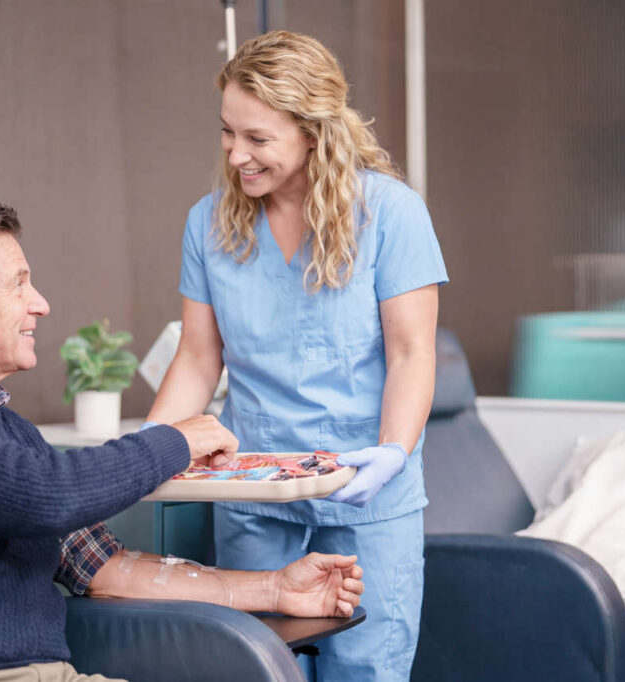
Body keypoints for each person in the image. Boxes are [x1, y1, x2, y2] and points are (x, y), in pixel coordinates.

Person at [0, 198, 364, 682]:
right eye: (20, 284)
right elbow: (38, 496)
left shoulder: (8, 431)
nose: (40, 303)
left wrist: (273, 589)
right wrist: (172, 440)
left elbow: (106, 566)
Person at [143, 31, 448, 682]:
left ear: (314, 131)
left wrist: (394, 449)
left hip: (367, 494)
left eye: (258, 139)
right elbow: (199, 360)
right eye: (228, 133)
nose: (236, 155)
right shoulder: (209, 223)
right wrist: (147, 448)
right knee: (252, 669)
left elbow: (411, 351)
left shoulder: (391, 214)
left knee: (366, 673)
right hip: (255, 494)